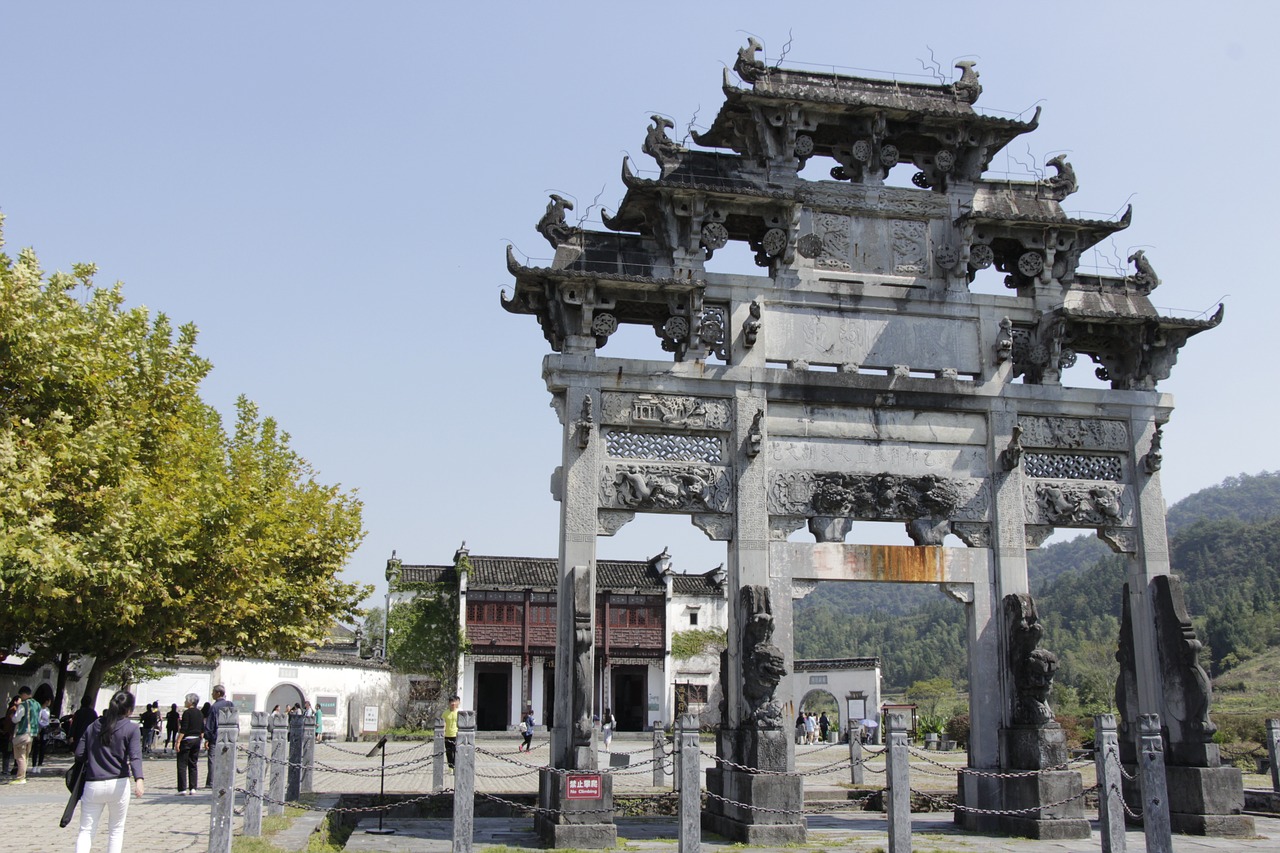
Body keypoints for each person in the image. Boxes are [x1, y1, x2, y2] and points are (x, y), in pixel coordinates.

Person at [74, 690, 143, 853]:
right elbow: (135, 756)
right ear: (129, 710)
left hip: (93, 783)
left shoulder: (94, 726)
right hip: (118, 783)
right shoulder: (131, 729)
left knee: (86, 830)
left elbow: (79, 754)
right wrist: (139, 779)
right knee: (116, 830)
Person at [203, 685, 234, 788]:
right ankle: (226, 780)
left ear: (218, 693)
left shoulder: (214, 707)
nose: (212, 694)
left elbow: (210, 724)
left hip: (216, 737)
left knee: (212, 759)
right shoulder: (230, 704)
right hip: (229, 737)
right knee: (227, 759)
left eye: (213, 692)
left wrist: (207, 738)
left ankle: (211, 782)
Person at [10, 685, 40, 784]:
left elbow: (16, 719)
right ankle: (23, 775)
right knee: (26, 756)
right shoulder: (37, 704)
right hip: (32, 734)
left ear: (23, 694)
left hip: (22, 732)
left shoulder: (24, 705)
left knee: (20, 756)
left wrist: (13, 714)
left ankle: (20, 777)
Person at [176, 693, 203, 794]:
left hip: (187, 740)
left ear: (190, 702)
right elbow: (202, 728)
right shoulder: (200, 713)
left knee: (182, 764)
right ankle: (193, 787)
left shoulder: (187, 713)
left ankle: (182, 788)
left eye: (186, 700)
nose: (184, 702)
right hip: (196, 740)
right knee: (193, 764)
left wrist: (178, 741)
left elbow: (184, 728)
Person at [30, 684, 53, 767]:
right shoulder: (39, 709)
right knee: (36, 747)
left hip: (45, 729)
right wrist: (38, 730)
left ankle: (40, 764)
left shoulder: (47, 710)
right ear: (46, 701)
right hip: (40, 729)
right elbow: (37, 720)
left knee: (43, 748)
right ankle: (34, 765)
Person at [443, 695, 460, 770]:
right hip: (447, 735)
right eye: (451, 702)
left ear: (457, 703)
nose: (453, 704)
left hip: (456, 735)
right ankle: (450, 767)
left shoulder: (460, 712)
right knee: (448, 752)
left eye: (454, 702)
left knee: (456, 751)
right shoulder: (445, 713)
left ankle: (456, 766)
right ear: (449, 703)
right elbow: (443, 723)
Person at [1, 696, 16, 776]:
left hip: (8, 733)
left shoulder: (12, 709)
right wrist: (11, 733)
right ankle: (6, 769)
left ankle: (5, 769)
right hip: (10, 734)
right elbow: (11, 723)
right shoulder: (13, 709)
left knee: (7, 752)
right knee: (8, 751)